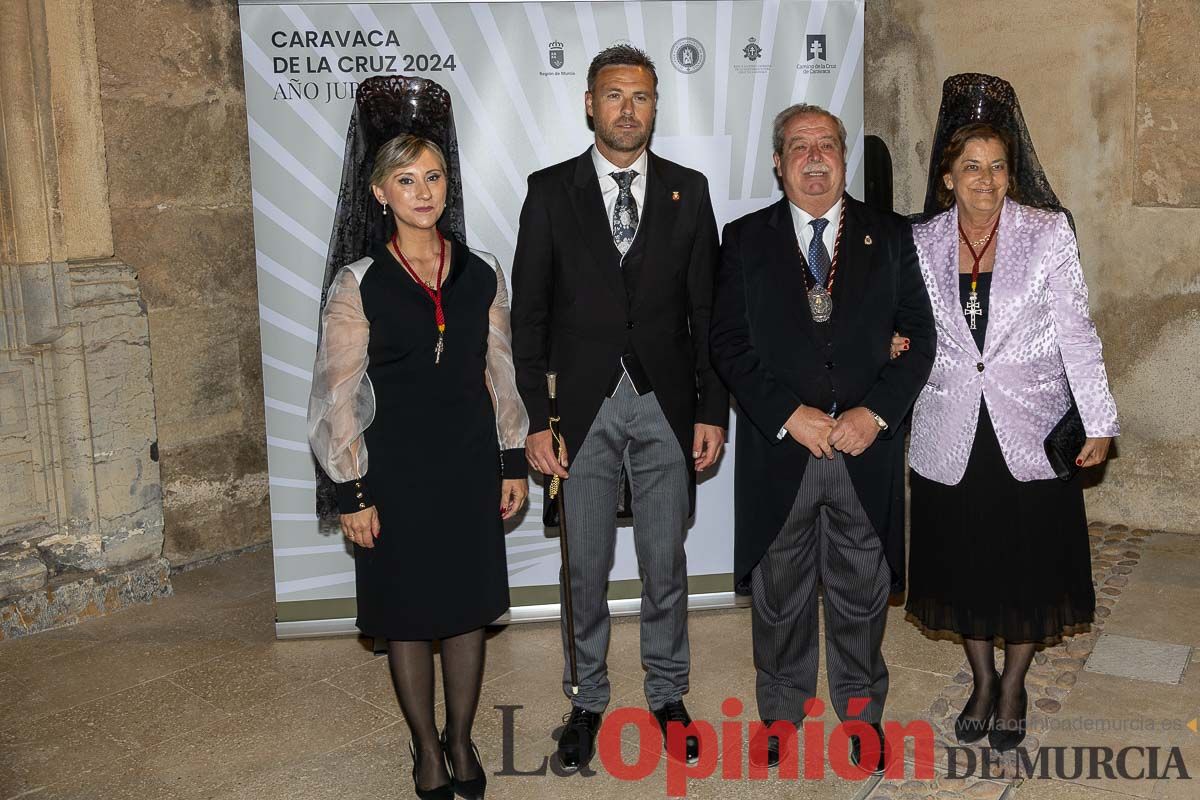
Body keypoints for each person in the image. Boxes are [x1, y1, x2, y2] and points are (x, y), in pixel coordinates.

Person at [510, 44, 728, 770]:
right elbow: (528, 318)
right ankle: (586, 699)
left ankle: (668, 693)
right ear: (589, 104)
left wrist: (712, 410)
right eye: (614, 95)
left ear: (655, 106)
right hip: (580, 410)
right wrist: (535, 421)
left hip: (667, 404)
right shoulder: (549, 191)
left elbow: (708, 312)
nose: (627, 109)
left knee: (665, 562)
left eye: (640, 97)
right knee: (585, 567)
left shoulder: (689, 191)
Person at [709, 103, 935, 774]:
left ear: (844, 157)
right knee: (780, 590)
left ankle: (862, 714)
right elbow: (728, 343)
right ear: (778, 163)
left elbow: (921, 337)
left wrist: (876, 414)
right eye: (800, 146)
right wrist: (788, 414)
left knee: (861, 589)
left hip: (864, 448)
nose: (815, 157)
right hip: (784, 449)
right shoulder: (743, 239)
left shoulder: (890, 236)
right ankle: (781, 713)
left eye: (827, 144)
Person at [307, 133, 529, 800]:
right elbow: (336, 395)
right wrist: (352, 491)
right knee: (405, 614)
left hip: (468, 465)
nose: (423, 191)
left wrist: (511, 459)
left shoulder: (483, 270)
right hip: (394, 475)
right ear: (381, 193)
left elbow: (501, 371)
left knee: (466, 609)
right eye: (406, 180)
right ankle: (426, 748)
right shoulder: (360, 282)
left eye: (433, 177)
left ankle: (460, 740)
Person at [899, 95, 1119, 751]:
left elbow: (1077, 332)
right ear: (947, 176)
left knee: (1027, 561)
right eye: (971, 166)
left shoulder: (1047, 233)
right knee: (963, 559)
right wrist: (890, 340)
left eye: (997, 166)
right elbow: (905, 322)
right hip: (950, 425)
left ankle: (1014, 684)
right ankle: (982, 679)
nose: (986, 179)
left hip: (1030, 425)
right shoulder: (921, 240)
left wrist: (1100, 419)